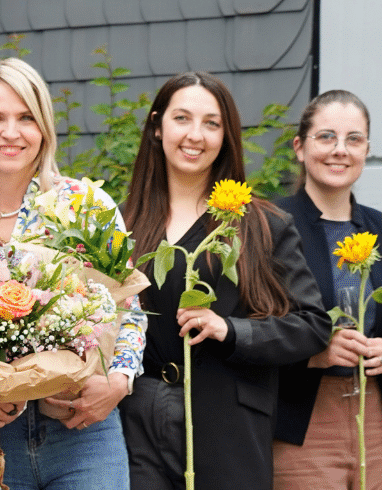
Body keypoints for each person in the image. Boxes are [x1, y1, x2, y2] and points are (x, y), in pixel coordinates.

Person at [117, 72, 330, 490]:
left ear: (226, 136)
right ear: (157, 127)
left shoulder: (264, 226)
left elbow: (313, 326)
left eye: (211, 123)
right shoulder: (121, 224)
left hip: (228, 426)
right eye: (182, 119)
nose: (195, 135)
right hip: (137, 424)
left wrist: (232, 329)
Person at [0, 57, 142, 490]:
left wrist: (119, 381)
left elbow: (130, 309)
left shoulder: (85, 204)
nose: (11, 132)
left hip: (82, 428)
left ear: (44, 128)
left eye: (26, 118)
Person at [270, 89, 382, 489]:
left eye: (354, 139)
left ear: (366, 150)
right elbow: (249, 325)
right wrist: (311, 350)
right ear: (300, 147)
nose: (340, 150)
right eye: (326, 137)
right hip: (302, 421)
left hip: (379, 420)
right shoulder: (268, 224)